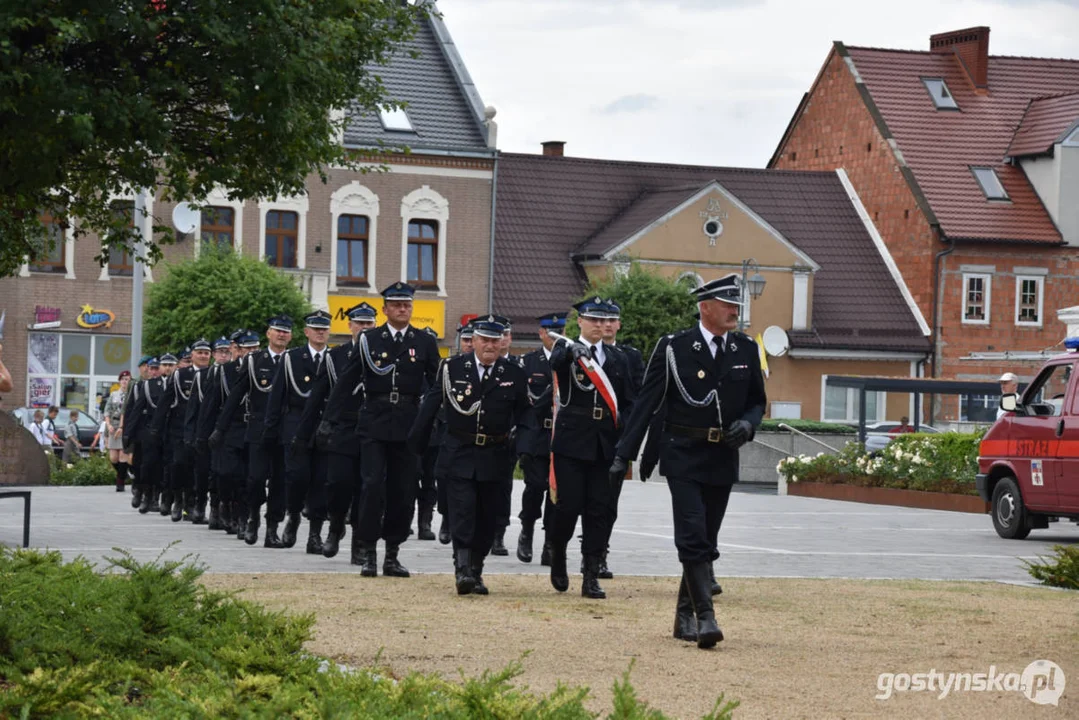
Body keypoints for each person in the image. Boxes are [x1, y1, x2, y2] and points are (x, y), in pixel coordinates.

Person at [611, 274, 766, 649]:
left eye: (737, 306)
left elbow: (758, 401)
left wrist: (748, 424)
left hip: (722, 455)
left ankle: (684, 615)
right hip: (682, 452)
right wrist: (624, 454)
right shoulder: (674, 347)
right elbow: (648, 402)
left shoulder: (744, 349)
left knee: (707, 537)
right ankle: (706, 616)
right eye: (728, 305)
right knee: (692, 532)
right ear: (705, 307)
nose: (735, 312)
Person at [325, 282, 439, 577]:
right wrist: (329, 419)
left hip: (408, 423)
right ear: (385, 309)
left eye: (407, 305)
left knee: (402, 490)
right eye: (397, 304)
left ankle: (392, 553)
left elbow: (438, 385)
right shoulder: (369, 340)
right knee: (372, 486)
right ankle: (368, 552)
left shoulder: (424, 342)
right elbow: (347, 380)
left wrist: (437, 422)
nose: (403, 309)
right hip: (374, 421)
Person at [410, 315, 530, 595]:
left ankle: (476, 569)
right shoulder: (452, 368)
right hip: (459, 452)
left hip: (495, 454)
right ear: (473, 341)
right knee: (463, 512)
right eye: (484, 339)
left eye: (494, 340)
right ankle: (462, 568)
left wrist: (524, 448)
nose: (489, 345)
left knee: (489, 517)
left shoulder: (513, 373)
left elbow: (525, 416)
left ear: (502, 342)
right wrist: (414, 446)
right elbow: (430, 406)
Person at [546, 297, 637, 600]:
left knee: (600, 511)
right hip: (572, 442)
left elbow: (628, 403)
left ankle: (591, 573)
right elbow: (554, 365)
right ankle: (557, 549)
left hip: (604, 444)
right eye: (593, 319)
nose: (599, 325)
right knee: (569, 506)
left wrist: (625, 438)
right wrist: (571, 351)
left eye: (604, 320)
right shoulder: (566, 350)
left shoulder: (617, 358)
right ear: (580, 321)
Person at [216, 317, 293, 547]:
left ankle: (272, 530)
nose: (281, 335)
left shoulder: (293, 360)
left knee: (280, 482)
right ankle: (252, 517)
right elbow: (235, 396)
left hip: (285, 430)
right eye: (277, 331)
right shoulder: (253, 361)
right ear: (268, 334)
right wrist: (220, 428)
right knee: (255, 479)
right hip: (258, 428)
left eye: (285, 332)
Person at [310, 303, 377, 559]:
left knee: (366, 488)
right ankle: (335, 526)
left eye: (369, 323)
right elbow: (318, 396)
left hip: (371, 429)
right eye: (359, 323)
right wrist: (314, 429)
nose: (364, 327)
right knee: (338, 484)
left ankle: (359, 542)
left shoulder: (381, 353)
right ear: (349, 325)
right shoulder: (335, 357)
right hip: (343, 428)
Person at [263, 310, 332, 553]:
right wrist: (270, 431)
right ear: (306, 332)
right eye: (315, 328)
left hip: (324, 427)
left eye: (324, 328)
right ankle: (293, 515)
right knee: (296, 478)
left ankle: (315, 534)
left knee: (321, 482)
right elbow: (277, 397)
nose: (320, 332)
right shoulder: (291, 358)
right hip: (295, 426)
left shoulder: (334, 359)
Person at [515, 312, 564, 565]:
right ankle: (527, 530)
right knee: (535, 487)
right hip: (535, 435)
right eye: (551, 333)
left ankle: (550, 544)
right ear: (541, 334)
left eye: (561, 332)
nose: (556, 338)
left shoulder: (569, 361)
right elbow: (524, 404)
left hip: (559, 436)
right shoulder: (527, 363)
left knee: (556, 494)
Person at [206, 331, 259, 535]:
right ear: (237, 349)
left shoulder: (263, 369)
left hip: (252, 429)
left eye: (255, 348)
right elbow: (213, 405)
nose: (252, 353)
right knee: (228, 475)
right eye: (248, 349)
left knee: (249, 478)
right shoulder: (225, 371)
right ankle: (226, 504)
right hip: (230, 429)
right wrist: (206, 434)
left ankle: (242, 516)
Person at [105, 371, 132, 492]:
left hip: (126, 426)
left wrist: (123, 426)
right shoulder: (114, 395)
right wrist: (108, 424)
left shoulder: (132, 395)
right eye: (123, 379)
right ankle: (123, 472)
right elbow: (107, 411)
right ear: (119, 381)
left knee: (123, 455)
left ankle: (120, 482)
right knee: (113, 458)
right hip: (114, 425)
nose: (125, 381)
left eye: (127, 379)